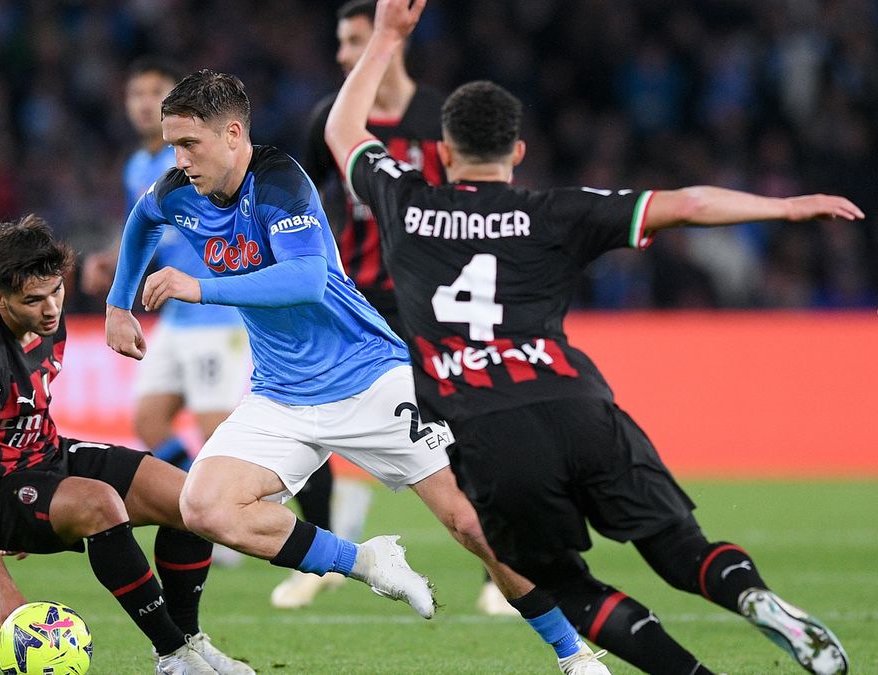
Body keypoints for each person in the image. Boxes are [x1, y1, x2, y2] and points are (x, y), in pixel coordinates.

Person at [323, 1, 858, 674]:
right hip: (579, 406)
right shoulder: (556, 211)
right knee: (681, 550)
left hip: (489, 430)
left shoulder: (407, 202)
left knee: (562, 583)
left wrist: (386, 38)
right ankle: (751, 593)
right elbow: (688, 203)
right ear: (516, 152)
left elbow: (345, 129)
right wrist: (783, 206)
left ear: (444, 152)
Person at [105, 68, 609, 674]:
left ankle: (573, 653)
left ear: (233, 134)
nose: (177, 158)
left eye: (189, 144)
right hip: (282, 394)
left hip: (371, 376)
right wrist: (117, 302)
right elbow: (141, 221)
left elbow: (307, 278)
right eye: (172, 144)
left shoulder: (281, 182)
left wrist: (201, 287)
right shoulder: (178, 191)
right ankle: (366, 561)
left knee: (472, 524)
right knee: (204, 506)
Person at [0, 215, 255, 675]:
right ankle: (173, 656)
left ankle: (189, 643)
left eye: (56, 291)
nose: (50, 309)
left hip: (49, 455)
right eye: (33, 300)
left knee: (190, 500)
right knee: (101, 504)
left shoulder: (42, 308)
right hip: (0, 490)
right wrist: (2, 585)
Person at [279, 0, 515, 615]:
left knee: (461, 428)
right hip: (351, 305)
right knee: (312, 420)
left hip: (430, 303)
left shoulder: (441, 117)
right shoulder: (328, 120)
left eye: (354, 40)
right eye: (342, 42)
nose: (342, 55)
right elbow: (289, 201)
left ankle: (501, 573)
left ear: (389, 42)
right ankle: (323, 559)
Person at [83, 58, 249, 568]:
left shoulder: (197, 157)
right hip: (173, 313)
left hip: (215, 307)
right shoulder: (138, 166)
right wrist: (116, 261)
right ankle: (203, 509)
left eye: (153, 92)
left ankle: (233, 514)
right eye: (135, 94)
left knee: (213, 422)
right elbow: (150, 224)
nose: (142, 103)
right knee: (149, 420)